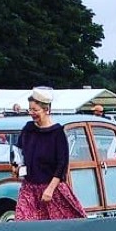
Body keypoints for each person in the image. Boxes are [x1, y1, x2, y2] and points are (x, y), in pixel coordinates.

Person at [15, 87, 85, 221]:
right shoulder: (28, 129)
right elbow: (18, 151)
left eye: (35, 110)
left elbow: (62, 165)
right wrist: (15, 165)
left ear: (47, 110)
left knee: (59, 225)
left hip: (51, 188)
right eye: (30, 109)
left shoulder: (57, 133)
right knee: (22, 222)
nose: (32, 113)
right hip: (29, 188)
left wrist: (50, 189)